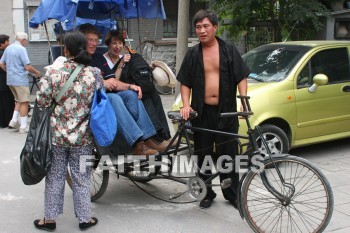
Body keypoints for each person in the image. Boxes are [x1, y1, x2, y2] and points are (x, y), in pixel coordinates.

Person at [177, 10, 250, 209]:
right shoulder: (193, 54)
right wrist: (186, 104)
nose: (201, 30)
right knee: (204, 154)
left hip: (226, 110)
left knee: (229, 154)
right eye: (198, 27)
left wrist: (243, 100)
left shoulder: (228, 50)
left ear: (215, 27)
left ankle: (232, 193)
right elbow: (185, 82)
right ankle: (207, 192)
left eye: (206, 26)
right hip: (202, 112)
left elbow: (241, 76)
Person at [34, 31, 99, 231]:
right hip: (83, 138)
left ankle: (50, 220)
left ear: (66, 50)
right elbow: (99, 101)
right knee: (82, 178)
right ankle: (84, 219)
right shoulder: (94, 74)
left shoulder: (54, 73)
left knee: (54, 177)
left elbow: (42, 102)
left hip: (57, 137)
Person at [78, 23, 165, 155]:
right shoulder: (78, 58)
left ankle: (148, 138)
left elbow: (113, 81)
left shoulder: (98, 57)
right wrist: (102, 83)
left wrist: (131, 86)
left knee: (131, 94)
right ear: (82, 40)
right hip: (89, 103)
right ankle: (136, 143)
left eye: (96, 40)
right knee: (114, 98)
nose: (94, 43)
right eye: (91, 40)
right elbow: (79, 84)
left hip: (105, 99)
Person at [103, 29, 171, 142]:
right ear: (108, 44)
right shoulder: (104, 59)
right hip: (114, 93)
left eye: (120, 43)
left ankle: (164, 132)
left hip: (127, 89)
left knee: (152, 93)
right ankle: (155, 136)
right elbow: (114, 81)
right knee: (142, 95)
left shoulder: (125, 57)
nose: (117, 46)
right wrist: (121, 63)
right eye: (114, 43)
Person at [0, 32, 41, 133]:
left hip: (10, 80)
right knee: (24, 102)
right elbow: (27, 66)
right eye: (26, 41)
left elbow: (1, 63)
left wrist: (8, 71)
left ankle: (13, 121)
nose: (26, 43)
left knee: (18, 100)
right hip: (20, 79)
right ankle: (23, 126)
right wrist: (36, 72)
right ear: (23, 40)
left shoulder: (8, 48)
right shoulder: (21, 49)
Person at [0, 34, 15, 128]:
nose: (9, 43)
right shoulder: (3, 53)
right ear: (1, 44)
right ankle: (6, 121)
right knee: (6, 102)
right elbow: (4, 65)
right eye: (7, 41)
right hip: (3, 81)